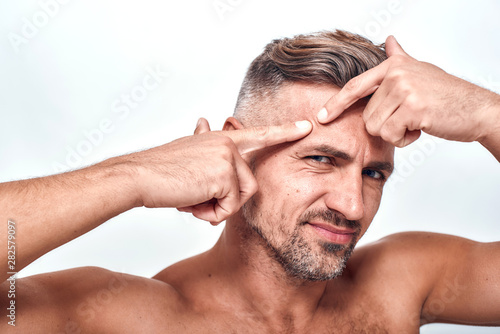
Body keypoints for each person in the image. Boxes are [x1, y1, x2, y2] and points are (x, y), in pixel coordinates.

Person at [1, 30, 499, 333]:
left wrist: (487, 114)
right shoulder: (122, 316)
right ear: (239, 148)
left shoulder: (401, 282)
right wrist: (133, 176)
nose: (352, 206)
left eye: (373, 173)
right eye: (322, 159)